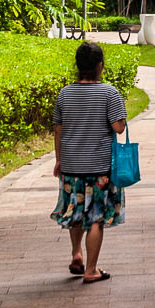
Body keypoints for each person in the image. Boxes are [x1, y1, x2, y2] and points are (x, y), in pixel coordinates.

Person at [51, 41, 127, 284]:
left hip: (71, 165)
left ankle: (76, 254)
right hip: (99, 167)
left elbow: (58, 130)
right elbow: (119, 127)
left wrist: (59, 160)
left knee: (75, 211)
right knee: (95, 218)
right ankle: (91, 270)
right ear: (100, 66)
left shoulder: (65, 93)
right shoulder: (109, 93)